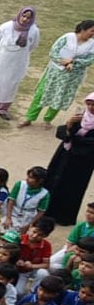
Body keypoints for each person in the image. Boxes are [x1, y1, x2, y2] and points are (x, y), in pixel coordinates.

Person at [21, 20, 94, 127]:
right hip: (55, 73)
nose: (93, 34)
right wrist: (63, 61)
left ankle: (48, 119)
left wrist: (73, 62)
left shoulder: (92, 44)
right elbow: (53, 52)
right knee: (42, 94)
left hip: (72, 77)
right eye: (91, 31)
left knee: (60, 97)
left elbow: (90, 60)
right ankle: (29, 118)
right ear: (83, 29)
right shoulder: (68, 37)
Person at [0, 7, 39, 119]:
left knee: (9, 83)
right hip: (0, 59)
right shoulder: (7, 26)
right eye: (23, 16)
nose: (25, 19)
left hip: (17, 62)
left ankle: (2, 108)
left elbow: (33, 45)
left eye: (28, 18)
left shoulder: (34, 31)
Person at [43, 92, 94, 225]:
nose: (91, 107)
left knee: (72, 187)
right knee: (54, 180)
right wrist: (69, 124)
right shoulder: (80, 117)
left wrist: (72, 138)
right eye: (89, 104)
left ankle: (63, 216)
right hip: (64, 155)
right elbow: (62, 133)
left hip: (83, 161)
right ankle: (44, 210)